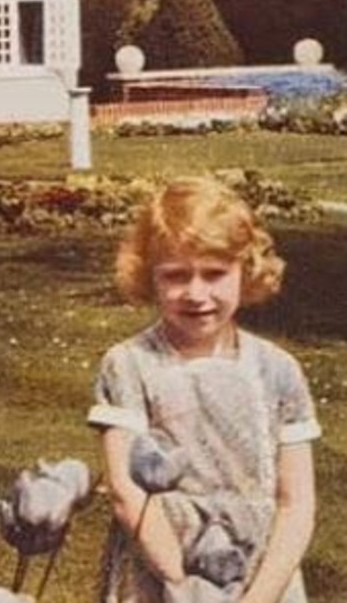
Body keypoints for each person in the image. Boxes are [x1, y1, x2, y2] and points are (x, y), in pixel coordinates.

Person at [87, 177, 321, 603]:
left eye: (215, 275)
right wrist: (184, 585)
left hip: (262, 573)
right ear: (149, 277)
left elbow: (296, 503)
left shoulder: (277, 371)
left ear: (245, 271)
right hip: (162, 572)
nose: (197, 294)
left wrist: (260, 595)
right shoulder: (130, 365)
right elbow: (126, 491)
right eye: (175, 276)